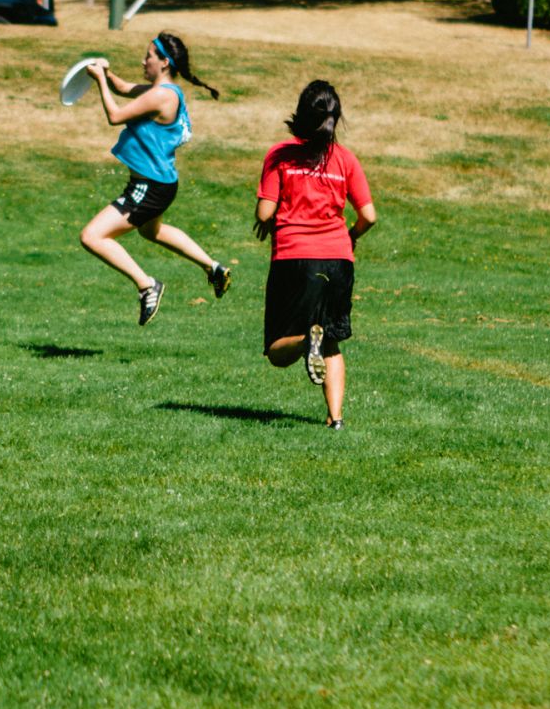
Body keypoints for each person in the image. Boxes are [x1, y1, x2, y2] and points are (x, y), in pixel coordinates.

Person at [79, 32, 231, 325]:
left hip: (148, 187)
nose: (143, 61)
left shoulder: (160, 96)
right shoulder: (166, 91)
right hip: (161, 183)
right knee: (152, 232)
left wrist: (98, 80)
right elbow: (124, 88)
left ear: (164, 62)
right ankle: (213, 268)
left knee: (92, 236)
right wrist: (107, 73)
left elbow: (115, 116)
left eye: (148, 56)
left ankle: (147, 285)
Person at [255, 80, 377, 429]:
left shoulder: (281, 155)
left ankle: (306, 338)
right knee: (332, 341)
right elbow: (369, 216)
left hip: (294, 259)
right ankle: (335, 418)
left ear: (301, 114)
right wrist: (350, 237)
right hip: (338, 260)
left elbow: (265, 213)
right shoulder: (346, 160)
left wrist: (265, 218)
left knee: (278, 351)